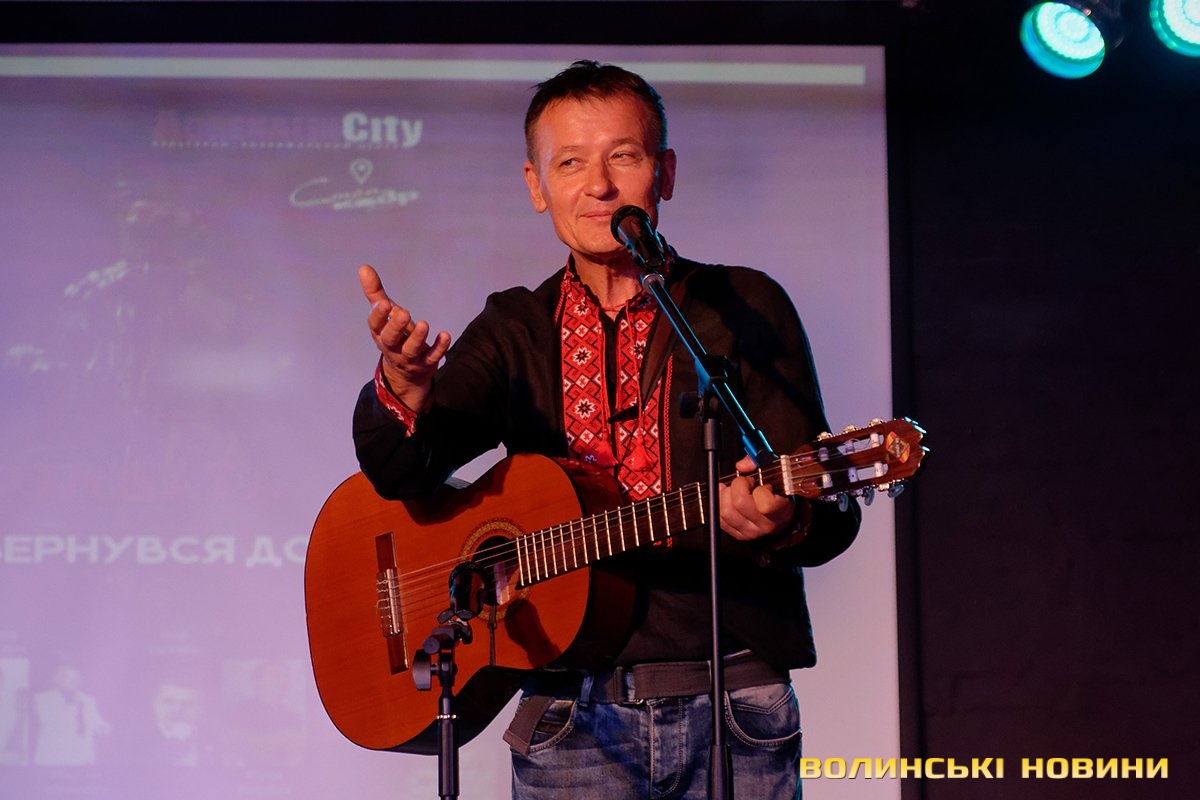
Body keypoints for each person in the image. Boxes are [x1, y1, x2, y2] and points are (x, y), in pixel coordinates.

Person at [352, 60, 861, 800]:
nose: (599, 186)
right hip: (568, 715)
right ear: (536, 186)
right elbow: (402, 473)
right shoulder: (514, 329)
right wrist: (403, 388)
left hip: (734, 704)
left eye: (623, 156)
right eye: (569, 163)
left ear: (665, 173)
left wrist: (783, 518)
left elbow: (828, 513)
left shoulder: (742, 308)